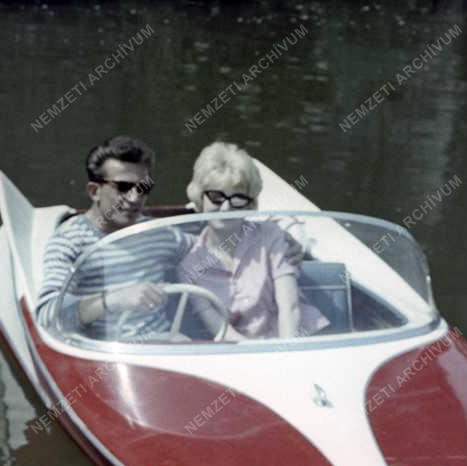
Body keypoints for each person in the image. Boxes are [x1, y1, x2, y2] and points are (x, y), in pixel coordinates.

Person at [35, 135, 188, 336]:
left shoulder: (159, 233)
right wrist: (114, 299)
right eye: (123, 187)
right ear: (94, 191)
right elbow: (47, 316)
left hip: (166, 349)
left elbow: (208, 252)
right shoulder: (71, 241)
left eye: (143, 188)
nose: (134, 198)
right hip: (106, 359)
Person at [178, 141, 327, 340]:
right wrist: (259, 359)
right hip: (248, 353)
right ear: (200, 198)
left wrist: (287, 355)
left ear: (250, 205)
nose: (225, 208)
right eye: (216, 197)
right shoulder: (189, 268)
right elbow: (221, 331)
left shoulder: (270, 236)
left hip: (301, 339)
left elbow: (289, 309)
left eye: (238, 199)